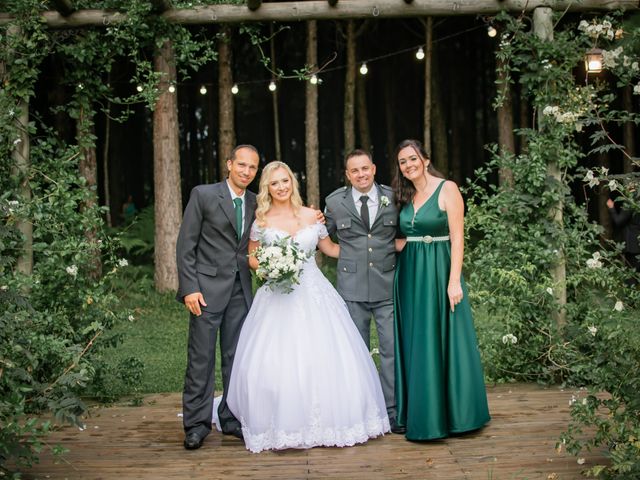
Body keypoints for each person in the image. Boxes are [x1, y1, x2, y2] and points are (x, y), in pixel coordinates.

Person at [227, 161, 390, 453]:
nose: (281, 187)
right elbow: (251, 259)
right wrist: (271, 265)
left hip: (315, 294)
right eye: (274, 183)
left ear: (293, 183)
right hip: (276, 295)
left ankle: (330, 422)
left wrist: (378, 248)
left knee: (325, 357)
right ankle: (282, 422)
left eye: (285, 181)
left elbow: (331, 249)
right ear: (267, 188)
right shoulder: (261, 220)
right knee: (276, 360)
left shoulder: (312, 216)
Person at [392, 139, 490, 441]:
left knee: (448, 338)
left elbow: (458, 239)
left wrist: (454, 280)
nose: (408, 165)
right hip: (410, 276)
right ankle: (422, 414)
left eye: (412, 159)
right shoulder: (404, 195)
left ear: (425, 158)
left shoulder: (448, 189)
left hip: (440, 271)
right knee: (418, 341)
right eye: (402, 162)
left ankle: (457, 416)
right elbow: (401, 239)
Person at [176, 145, 260, 450]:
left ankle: (230, 418)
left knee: (235, 359)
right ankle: (196, 425)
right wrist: (189, 288)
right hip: (206, 291)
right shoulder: (204, 194)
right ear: (229, 164)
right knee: (201, 359)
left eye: (252, 167)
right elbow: (186, 245)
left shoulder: (255, 201)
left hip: (241, 290)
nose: (246, 172)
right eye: (241, 165)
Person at [324, 149, 403, 433]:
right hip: (351, 289)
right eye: (354, 171)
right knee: (355, 352)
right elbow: (322, 236)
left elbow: (405, 232)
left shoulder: (394, 196)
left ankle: (392, 411)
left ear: (374, 168)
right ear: (347, 175)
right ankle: (360, 410)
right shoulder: (334, 202)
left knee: (390, 350)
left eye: (365, 168)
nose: (361, 174)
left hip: (386, 287)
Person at [607, 197, 640, 274]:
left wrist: (611, 207)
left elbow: (618, 221)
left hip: (633, 245)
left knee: (631, 275)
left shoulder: (631, 202)